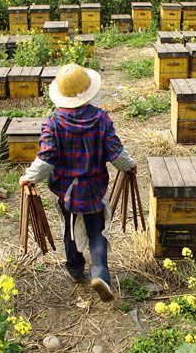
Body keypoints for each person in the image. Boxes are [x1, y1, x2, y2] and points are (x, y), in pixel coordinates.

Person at [19, 64, 135, 302]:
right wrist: (129, 166)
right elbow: (116, 152)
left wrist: (29, 177)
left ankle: (75, 270)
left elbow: (46, 159)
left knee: (70, 228)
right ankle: (100, 273)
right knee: (97, 231)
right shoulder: (101, 119)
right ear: (89, 91)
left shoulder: (53, 122)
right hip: (94, 188)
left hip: (67, 191)